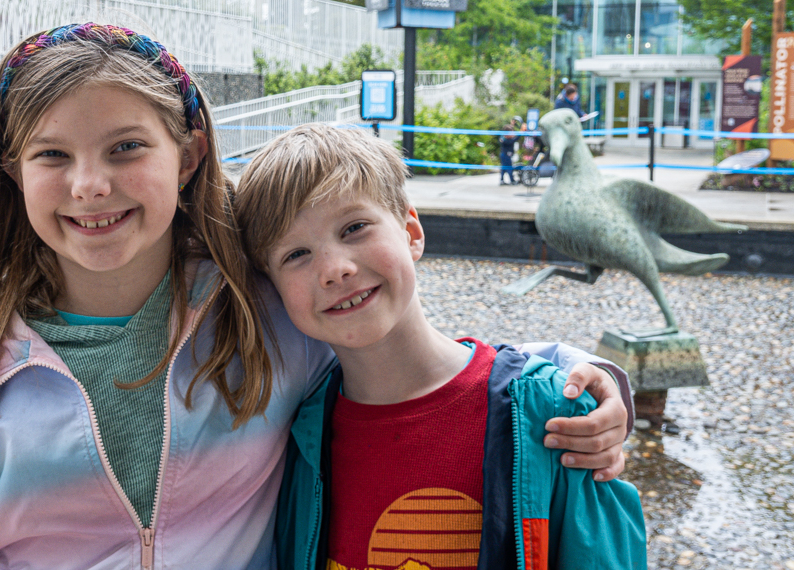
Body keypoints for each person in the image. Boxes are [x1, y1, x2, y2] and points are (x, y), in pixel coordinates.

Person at [0, 24, 631, 569]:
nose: (90, 184)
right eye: (52, 155)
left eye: (126, 147)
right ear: (12, 172)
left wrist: (584, 379)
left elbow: (418, 357)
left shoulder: (260, 311)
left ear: (190, 153)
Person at [235, 124, 646, 570]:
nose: (335, 268)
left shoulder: (553, 418)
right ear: (271, 288)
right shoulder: (300, 436)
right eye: (296, 254)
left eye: (354, 228)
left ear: (411, 232)